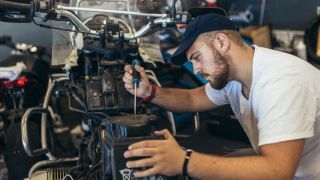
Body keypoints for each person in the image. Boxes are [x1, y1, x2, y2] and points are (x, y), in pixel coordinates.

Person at [122, 13, 320, 179]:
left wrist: (185, 161)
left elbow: (278, 171)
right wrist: (149, 92)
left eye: (197, 58)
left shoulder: (281, 82)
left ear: (221, 42)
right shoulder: (235, 76)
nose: (197, 69)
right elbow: (191, 99)